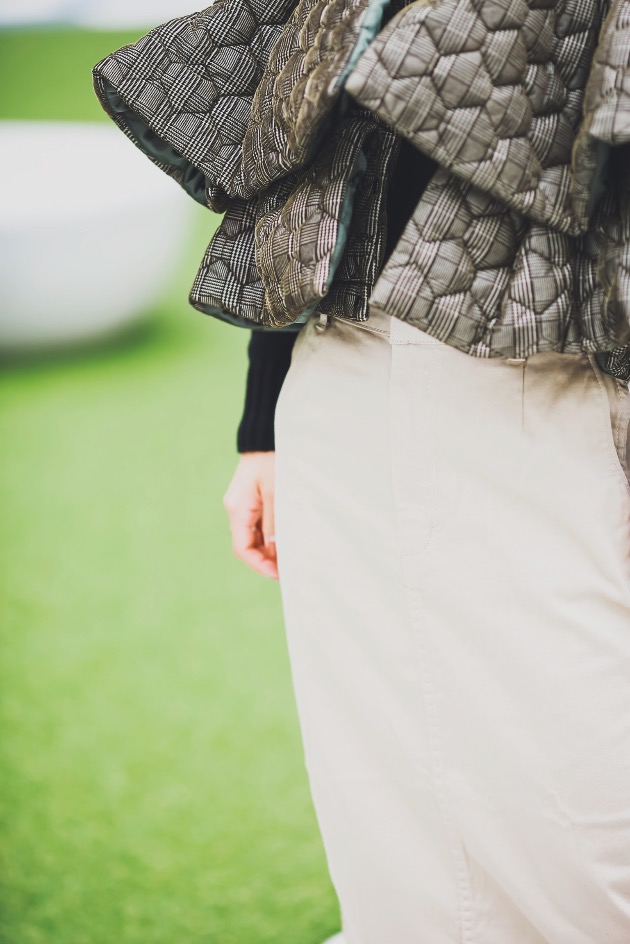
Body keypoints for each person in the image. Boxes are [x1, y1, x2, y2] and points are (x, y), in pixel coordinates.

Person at [93, 2, 630, 938]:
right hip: (346, 356)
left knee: (577, 837)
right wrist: (263, 421)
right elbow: (313, 110)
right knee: (390, 823)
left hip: (548, 364)